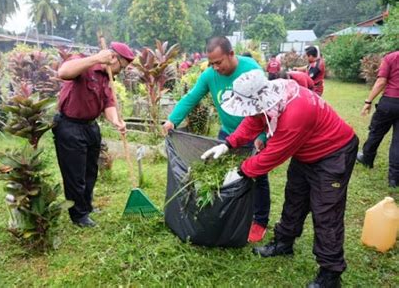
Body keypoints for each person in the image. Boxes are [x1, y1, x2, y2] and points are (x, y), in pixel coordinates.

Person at [201, 69, 358, 288]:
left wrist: (240, 171)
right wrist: (228, 144)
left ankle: (330, 273)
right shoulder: (272, 95)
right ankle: (283, 243)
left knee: (326, 211)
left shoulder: (295, 112)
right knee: (294, 198)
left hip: (334, 153)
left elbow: (272, 155)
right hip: (306, 151)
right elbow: (255, 120)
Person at [163, 36, 271, 243]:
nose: (215, 67)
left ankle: (259, 221)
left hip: (254, 134)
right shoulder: (209, 75)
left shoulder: (251, 70)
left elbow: (265, 106)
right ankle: (227, 213)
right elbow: (191, 98)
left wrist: (262, 136)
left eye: (218, 62)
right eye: (211, 63)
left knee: (258, 177)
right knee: (222, 173)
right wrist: (172, 121)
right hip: (228, 134)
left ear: (231, 54)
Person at [54, 42, 134, 228]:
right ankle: (79, 215)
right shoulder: (83, 63)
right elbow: (63, 72)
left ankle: (86, 206)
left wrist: (116, 121)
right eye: (121, 66)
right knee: (75, 174)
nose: (121, 71)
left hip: (91, 127)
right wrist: (97, 58)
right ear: (113, 58)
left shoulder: (107, 78)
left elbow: (109, 103)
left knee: (90, 171)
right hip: (70, 126)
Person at [357, 50, 399, 188]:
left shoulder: (391, 57)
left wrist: (368, 101)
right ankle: (394, 178)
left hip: (389, 102)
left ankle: (367, 159)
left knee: (376, 132)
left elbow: (381, 81)